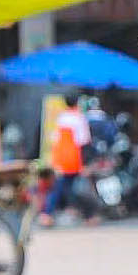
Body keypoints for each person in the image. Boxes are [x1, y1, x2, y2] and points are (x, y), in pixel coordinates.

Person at [40, 92, 91, 227]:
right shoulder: (79, 118)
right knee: (74, 188)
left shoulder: (61, 117)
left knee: (61, 187)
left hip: (59, 159)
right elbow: (83, 141)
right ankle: (83, 214)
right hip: (73, 159)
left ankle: (48, 214)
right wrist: (85, 163)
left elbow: (54, 139)